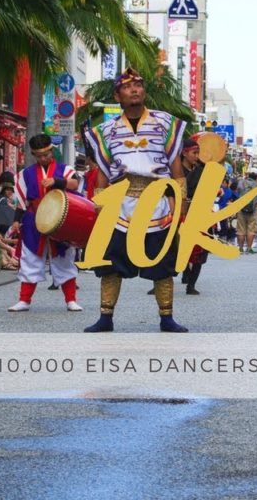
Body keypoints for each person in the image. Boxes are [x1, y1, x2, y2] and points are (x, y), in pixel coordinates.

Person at [82, 67, 189, 333]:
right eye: (128, 86)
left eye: (139, 85)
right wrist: (99, 205)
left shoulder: (165, 123)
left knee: (163, 264)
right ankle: (105, 318)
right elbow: (103, 174)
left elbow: (177, 169)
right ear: (118, 95)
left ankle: (167, 318)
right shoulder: (105, 131)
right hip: (120, 203)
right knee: (110, 263)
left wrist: (180, 204)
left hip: (158, 202)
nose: (135, 89)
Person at [6, 134, 83, 313]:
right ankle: (24, 300)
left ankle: (71, 300)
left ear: (51, 150)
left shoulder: (65, 170)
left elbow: (75, 184)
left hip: (61, 219)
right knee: (30, 259)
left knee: (64, 259)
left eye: (46, 154)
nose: (43, 159)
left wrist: (56, 181)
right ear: (33, 154)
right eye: (39, 156)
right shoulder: (25, 174)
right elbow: (22, 201)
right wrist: (16, 221)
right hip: (33, 219)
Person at [179, 138, 208, 295]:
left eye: (198, 153)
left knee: (199, 250)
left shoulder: (202, 171)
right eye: (194, 153)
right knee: (173, 247)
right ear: (184, 153)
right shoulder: (175, 171)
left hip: (198, 212)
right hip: (179, 212)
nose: (197, 156)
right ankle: (161, 281)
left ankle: (191, 284)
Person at [235, 170, 257, 254]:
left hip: (241, 208)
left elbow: (238, 190)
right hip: (253, 210)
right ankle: (249, 248)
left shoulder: (241, 182)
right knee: (251, 229)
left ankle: (241, 248)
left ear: (248, 175)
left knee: (241, 229)